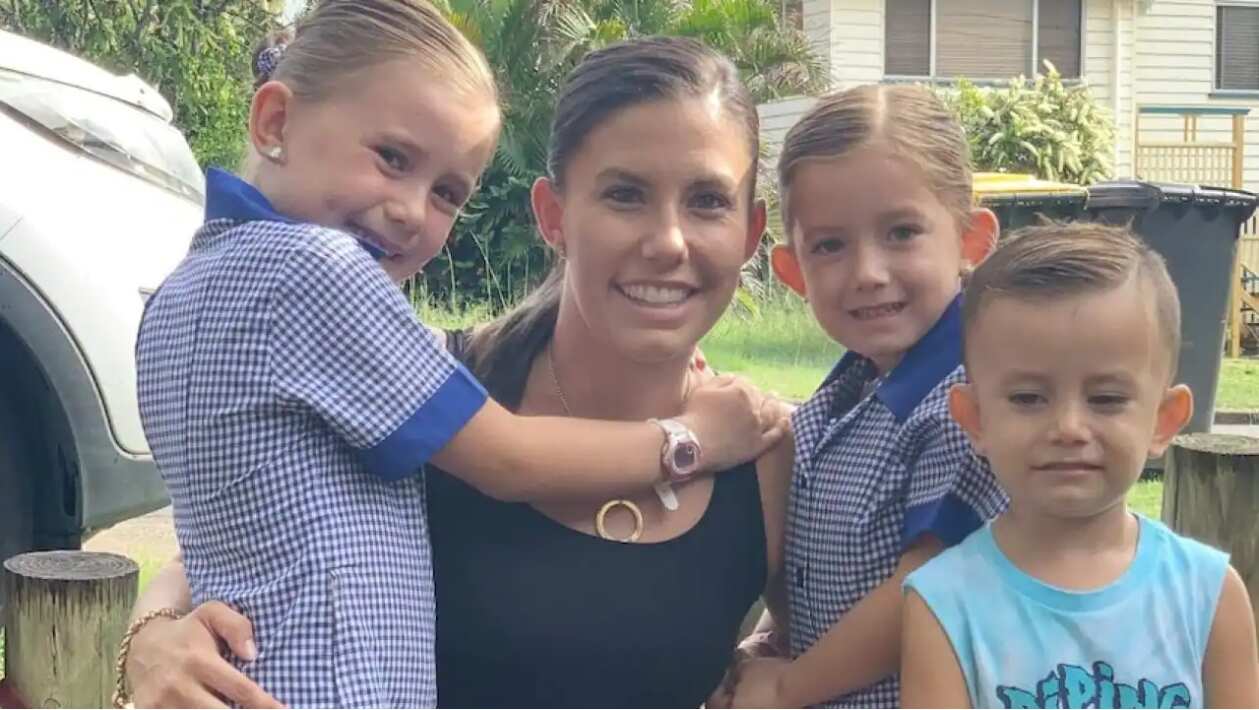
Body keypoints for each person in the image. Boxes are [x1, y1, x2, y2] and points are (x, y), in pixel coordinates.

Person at [129, 4, 783, 706]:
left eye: (707, 201)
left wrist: (772, 671)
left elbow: (857, 637)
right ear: (552, 216)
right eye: (624, 194)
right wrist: (152, 636)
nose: (667, 241)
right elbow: (235, 535)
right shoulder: (441, 380)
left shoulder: (769, 451)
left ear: (750, 235)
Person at [714, 84, 1009, 708]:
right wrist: (772, 642)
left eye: (901, 232)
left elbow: (928, 588)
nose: (868, 272)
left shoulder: (971, 403)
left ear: (971, 241)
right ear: (794, 271)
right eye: (830, 245)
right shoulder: (846, 393)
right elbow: (826, 576)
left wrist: (791, 685)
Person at [900, 223, 1259, 709]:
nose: (1068, 427)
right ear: (975, 419)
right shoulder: (942, 603)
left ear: (1162, 420)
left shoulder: (1209, 594)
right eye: (1028, 398)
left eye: (1106, 398)